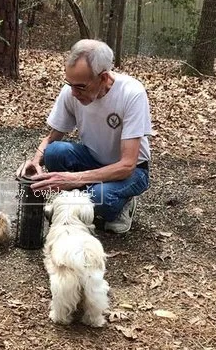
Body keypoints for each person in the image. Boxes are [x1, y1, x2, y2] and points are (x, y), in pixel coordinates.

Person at [16, 39, 151, 233]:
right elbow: (51, 138)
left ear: (103, 78)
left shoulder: (131, 93)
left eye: (80, 87)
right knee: (54, 152)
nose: (73, 92)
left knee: (98, 197)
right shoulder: (71, 92)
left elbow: (127, 165)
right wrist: (36, 161)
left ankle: (122, 204)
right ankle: (79, 202)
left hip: (132, 172)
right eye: (69, 84)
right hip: (92, 159)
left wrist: (74, 179)